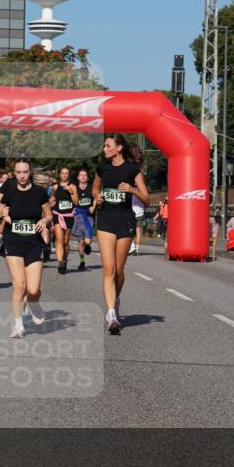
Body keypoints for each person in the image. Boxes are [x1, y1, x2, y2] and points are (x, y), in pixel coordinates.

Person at [93, 134, 150, 335]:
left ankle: (115, 301)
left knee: (118, 271)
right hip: (106, 220)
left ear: (118, 148)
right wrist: (98, 197)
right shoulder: (102, 168)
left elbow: (147, 199)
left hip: (125, 221)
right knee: (108, 269)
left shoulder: (132, 170)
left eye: (107, 146)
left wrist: (132, 190)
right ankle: (111, 314)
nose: (104, 149)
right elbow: (95, 189)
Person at [0, 156, 53, 338]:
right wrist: (0, 214)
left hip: (34, 243)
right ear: (14, 173)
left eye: (25, 172)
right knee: (19, 285)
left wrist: (44, 220)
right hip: (13, 242)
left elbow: (49, 215)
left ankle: (34, 302)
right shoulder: (8, 189)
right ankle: (18, 325)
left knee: (32, 290)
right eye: (18, 172)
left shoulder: (39, 192)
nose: (22, 176)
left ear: (30, 172)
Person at [50, 167, 79, 274]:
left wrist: (71, 192)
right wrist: (50, 201)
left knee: (66, 242)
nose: (64, 175)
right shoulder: (55, 187)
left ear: (69, 175)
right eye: (63, 173)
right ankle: (60, 263)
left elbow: (76, 202)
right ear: (60, 175)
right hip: (57, 215)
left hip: (68, 216)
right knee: (60, 240)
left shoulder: (73, 187)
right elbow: (52, 198)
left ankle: (65, 259)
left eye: (66, 173)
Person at [71, 168, 95, 271]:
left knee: (88, 236)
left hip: (89, 216)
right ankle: (82, 261)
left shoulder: (91, 188)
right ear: (78, 177)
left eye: (85, 175)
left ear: (87, 178)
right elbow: (72, 201)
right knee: (80, 241)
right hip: (78, 216)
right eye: (81, 175)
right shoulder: (75, 188)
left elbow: (96, 198)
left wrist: (93, 206)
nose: (83, 177)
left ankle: (88, 245)